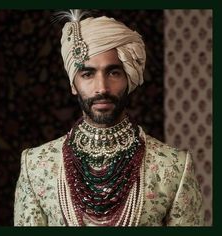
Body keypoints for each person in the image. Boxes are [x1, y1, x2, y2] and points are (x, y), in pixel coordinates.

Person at [14, 10, 204, 226]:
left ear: (129, 78)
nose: (102, 88)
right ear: (72, 84)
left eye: (114, 73)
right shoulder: (37, 165)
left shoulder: (172, 166)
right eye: (87, 74)